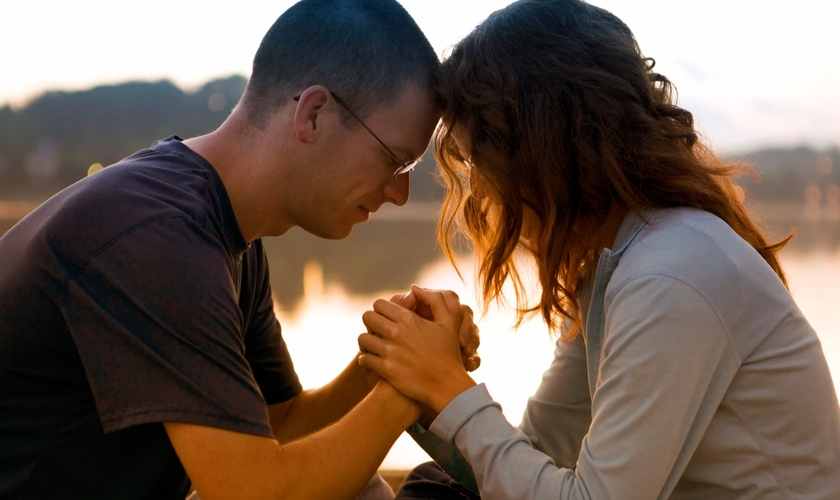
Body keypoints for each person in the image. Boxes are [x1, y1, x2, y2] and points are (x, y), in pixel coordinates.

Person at [357, 0, 840, 498]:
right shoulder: (619, 266)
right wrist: (420, 379)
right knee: (433, 490)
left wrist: (447, 388)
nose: (480, 195)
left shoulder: (673, 274)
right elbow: (538, 455)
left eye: (481, 163)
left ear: (537, 150)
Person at [0, 1, 481, 499]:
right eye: (394, 161)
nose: (398, 194)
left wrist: (385, 363)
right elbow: (255, 494)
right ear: (313, 114)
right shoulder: (160, 239)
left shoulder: (223, 234)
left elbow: (281, 423)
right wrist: (409, 386)